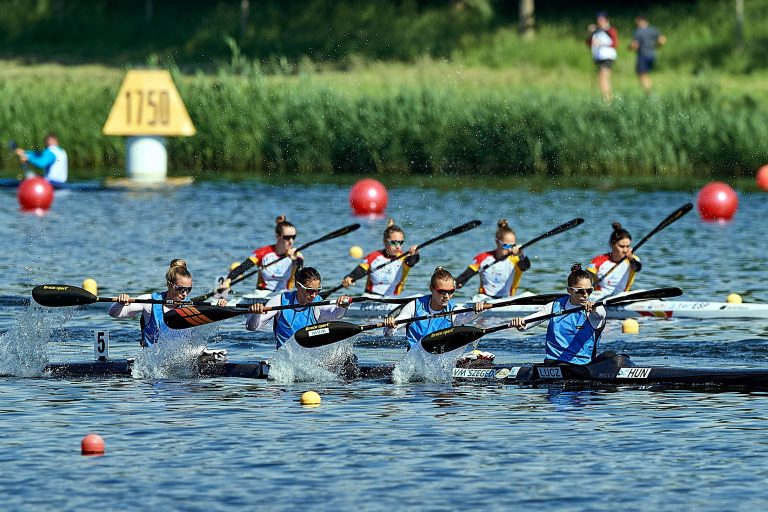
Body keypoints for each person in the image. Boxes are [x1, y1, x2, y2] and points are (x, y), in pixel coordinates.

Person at [108, 259, 227, 348]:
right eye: (181, 289)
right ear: (170, 285)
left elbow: (216, 311)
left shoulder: (191, 306)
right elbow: (114, 314)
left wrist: (221, 306)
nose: (185, 294)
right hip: (153, 365)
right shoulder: (149, 302)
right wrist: (120, 303)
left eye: (188, 289)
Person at [510, 264, 607, 365]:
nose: (586, 295)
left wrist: (594, 307)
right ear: (569, 290)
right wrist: (521, 323)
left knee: (609, 355)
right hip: (553, 363)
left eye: (589, 290)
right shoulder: (554, 306)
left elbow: (601, 314)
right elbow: (534, 319)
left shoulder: (594, 309)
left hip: (582, 366)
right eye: (580, 291)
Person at [383, 267, 488, 350]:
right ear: (431, 289)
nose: (447, 296)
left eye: (451, 291)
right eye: (442, 291)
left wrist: (478, 309)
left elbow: (466, 316)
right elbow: (388, 334)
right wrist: (391, 325)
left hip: (442, 360)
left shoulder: (454, 310)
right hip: (415, 359)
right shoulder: (413, 306)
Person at [246, 267, 351, 349]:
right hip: (285, 361)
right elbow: (251, 327)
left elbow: (335, 314)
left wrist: (342, 306)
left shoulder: (318, 304)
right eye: (310, 290)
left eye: (317, 290)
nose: (314, 295)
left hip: (310, 359)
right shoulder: (279, 301)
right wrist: (256, 313)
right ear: (298, 285)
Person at [220, 216, 303, 295]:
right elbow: (243, 267)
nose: (291, 241)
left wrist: (294, 261)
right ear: (277, 236)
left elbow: (300, 278)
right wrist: (227, 281)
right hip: (262, 294)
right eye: (287, 237)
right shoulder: (263, 253)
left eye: (294, 237)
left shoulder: (297, 255)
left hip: (285, 294)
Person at [340, 219, 420, 296]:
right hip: (371, 299)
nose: (398, 247)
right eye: (394, 242)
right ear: (385, 241)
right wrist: (349, 278)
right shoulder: (373, 257)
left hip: (394, 300)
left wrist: (415, 253)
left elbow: (412, 260)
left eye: (401, 242)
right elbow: (359, 271)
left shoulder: (404, 258)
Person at [455, 219, 531, 298]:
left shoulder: (517, 259)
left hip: (507, 300)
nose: (510, 249)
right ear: (497, 242)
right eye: (506, 246)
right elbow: (464, 277)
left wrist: (521, 255)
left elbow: (525, 267)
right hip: (483, 301)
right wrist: (457, 283)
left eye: (512, 246)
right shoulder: (482, 258)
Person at [586, 222, 642, 296]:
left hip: (622, 296)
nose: (625, 250)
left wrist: (630, 258)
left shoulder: (633, 260)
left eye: (628, 246)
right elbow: (585, 278)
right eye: (621, 246)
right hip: (599, 297)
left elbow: (637, 268)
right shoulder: (598, 260)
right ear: (612, 244)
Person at [586, 12, 618, 103]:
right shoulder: (596, 32)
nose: (599, 22)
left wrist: (602, 43)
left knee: (603, 77)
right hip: (598, 58)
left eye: (601, 20)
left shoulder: (610, 30)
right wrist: (589, 33)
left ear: (606, 20)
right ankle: (606, 98)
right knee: (601, 78)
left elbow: (615, 43)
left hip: (607, 57)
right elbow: (589, 43)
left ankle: (608, 100)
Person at [631, 14, 666, 93]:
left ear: (641, 21)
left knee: (642, 75)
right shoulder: (653, 29)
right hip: (652, 55)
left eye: (637, 22)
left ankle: (648, 93)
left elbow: (635, 45)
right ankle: (648, 92)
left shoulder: (638, 31)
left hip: (642, 55)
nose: (636, 24)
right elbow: (662, 40)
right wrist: (656, 46)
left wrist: (630, 48)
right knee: (646, 74)